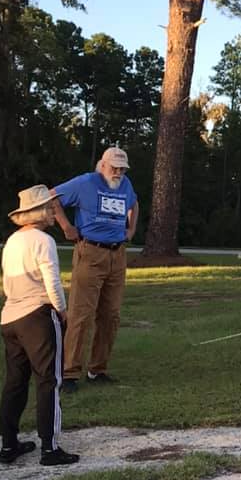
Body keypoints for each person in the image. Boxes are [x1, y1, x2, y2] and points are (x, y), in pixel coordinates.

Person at [0, 185, 80, 466]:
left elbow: (8, 280)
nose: (53, 212)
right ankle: (50, 448)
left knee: (15, 382)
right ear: (39, 211)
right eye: (50, 207)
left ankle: (8, 445)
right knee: (49, 380)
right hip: (37, 314)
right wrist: (62, 310)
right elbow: (52, 281)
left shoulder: (12, 241)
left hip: (10, 317)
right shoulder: (43, 241)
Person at [52, 147, 139, 393]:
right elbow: (51, 196)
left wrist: (130, 231)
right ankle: (69, 372)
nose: (118, 172)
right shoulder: (85, 182)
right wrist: (66, 226)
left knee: (110, 315)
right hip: (90, 252)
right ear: (102, 165)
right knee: (81, 314)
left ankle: (97, 369)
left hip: (117, 255)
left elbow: (134, 204)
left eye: (122, 168)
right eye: (114, 167)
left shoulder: (125, 184)